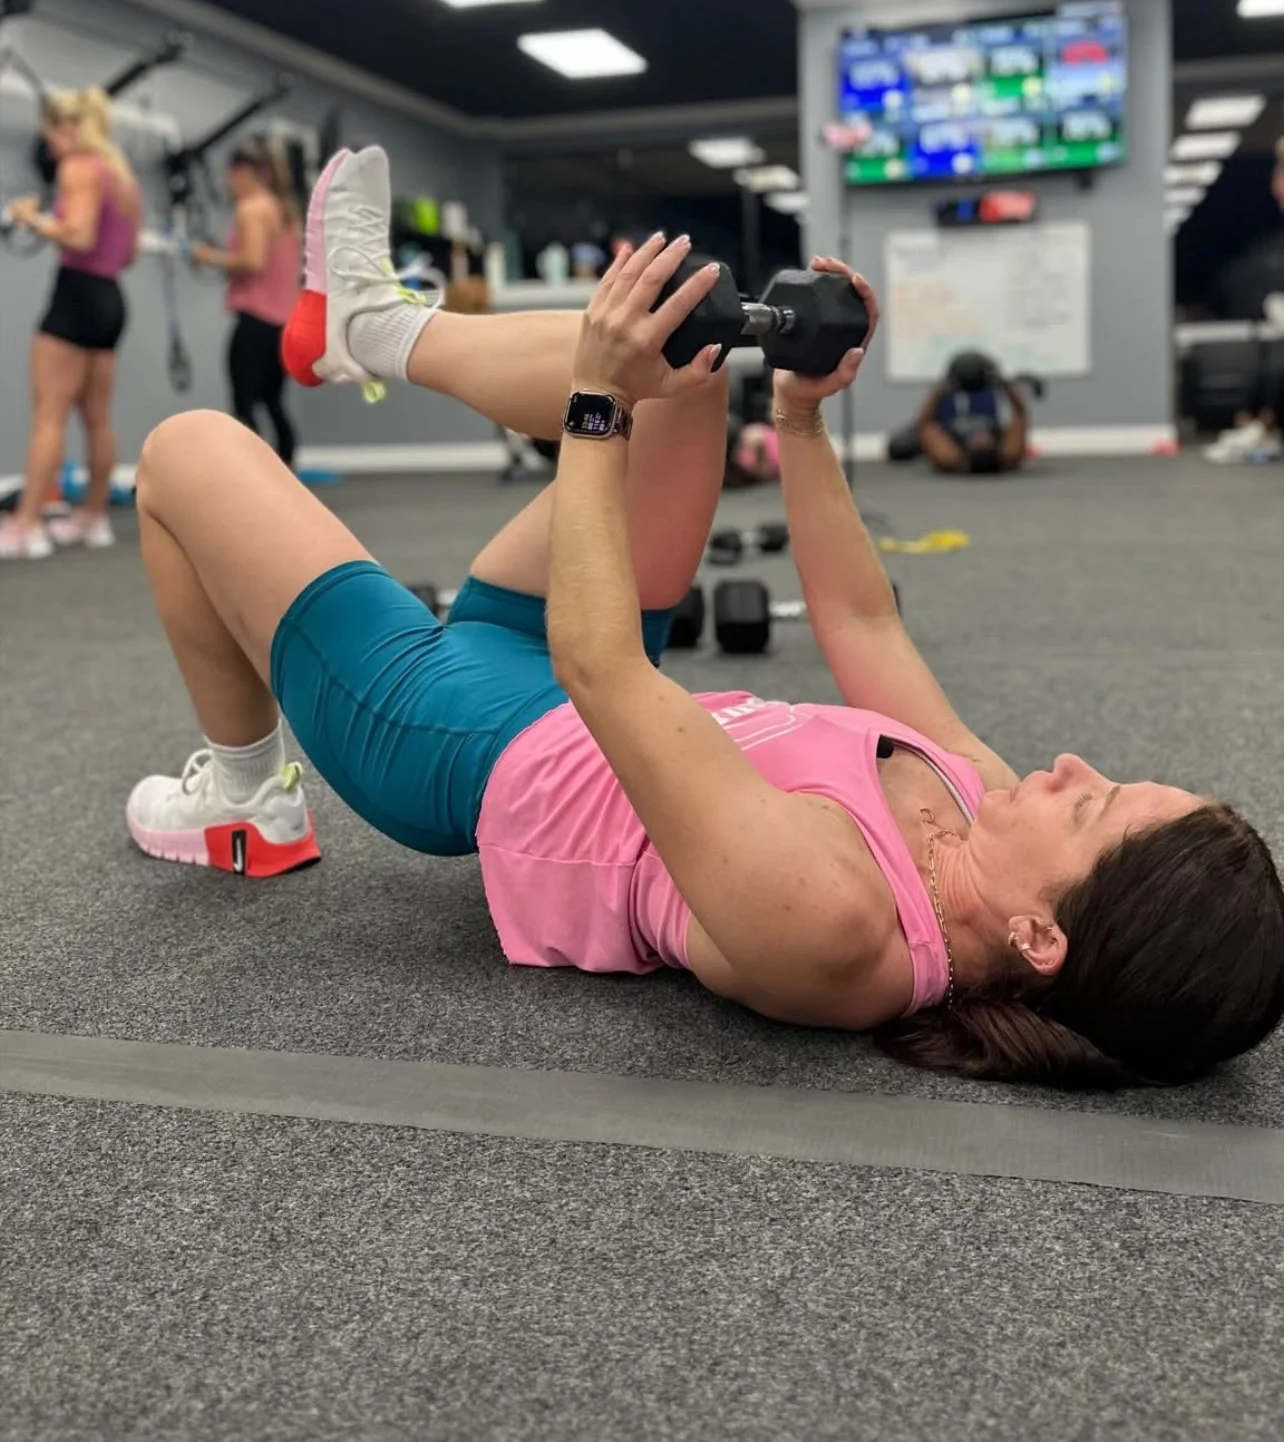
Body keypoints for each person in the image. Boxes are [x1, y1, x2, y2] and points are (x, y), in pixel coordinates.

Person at [125, 149, 1284, 1090]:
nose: (1073, 764)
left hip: (465, 740)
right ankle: (374, 328)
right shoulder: (980, 806)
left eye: (1093, 806)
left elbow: (606, 671)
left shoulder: (838, 926)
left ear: (1041, 938)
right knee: (690, 356)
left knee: (187, 452)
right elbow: (862, 624)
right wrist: (805, 415)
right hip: (574, 676)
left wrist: (594, 401)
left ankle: (245, 798)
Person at [0, 87, 142, 560]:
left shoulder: (78, 168)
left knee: (49, 415)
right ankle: (92, 519)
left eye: (52, 137)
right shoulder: (122, 176)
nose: (52, 148)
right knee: (97, 418)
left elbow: (78, 235)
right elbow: (128, 252)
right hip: (110, 297)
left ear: (68, 129)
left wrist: (29, 218)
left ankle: (26, 527)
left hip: (76, 293)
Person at [191, 141, 302, 469]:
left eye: (233, 175)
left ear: (249, 174)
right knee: (272, 400)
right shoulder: (286, 213)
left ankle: (252, 477)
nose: (229, 183)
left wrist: (209, 257)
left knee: (243, 404)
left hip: (256, 319)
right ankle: (286, 471)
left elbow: (253, 261)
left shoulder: (252, 209)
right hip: (284, 324)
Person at [916, 353, 1030, 475]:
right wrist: (1005, 386)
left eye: (979, 444)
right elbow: (1020, 412)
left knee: (902, 447)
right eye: (982, 443)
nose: (980, 441)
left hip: (953, 437)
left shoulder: (949, 459)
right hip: (961, 433)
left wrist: (940, 390)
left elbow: (926, 423)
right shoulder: (1009, 454)